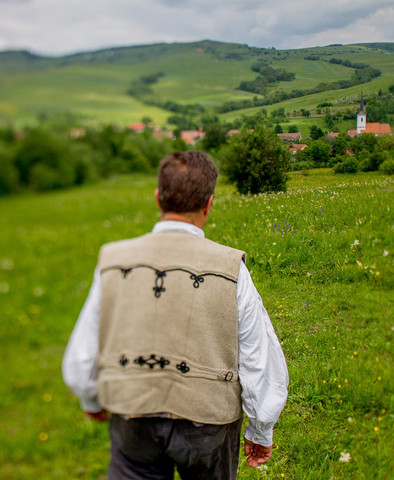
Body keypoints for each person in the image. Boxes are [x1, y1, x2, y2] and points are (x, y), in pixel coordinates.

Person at [62, 151, 289, 479]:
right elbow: (258, 355)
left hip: (132, 415)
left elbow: (84, 345)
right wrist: (261, 428)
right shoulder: (230, 269)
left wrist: (91, 397)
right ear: (209, 204)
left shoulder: (114, 261)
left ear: (158, 198)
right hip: (207, 423)